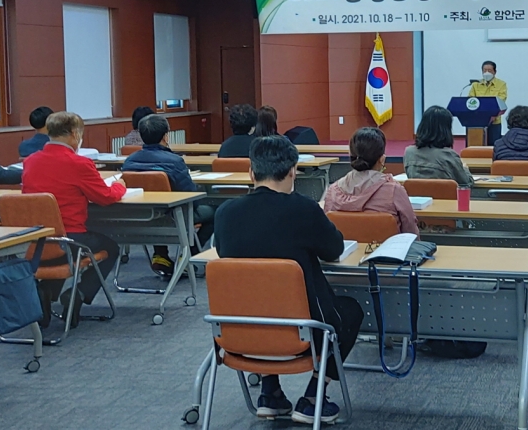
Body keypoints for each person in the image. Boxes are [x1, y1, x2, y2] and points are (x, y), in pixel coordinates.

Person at [215, 136, 363, 425]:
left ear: (251, 172)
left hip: (239, 332)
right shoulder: (304, 210)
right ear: (293, 171)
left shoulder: (225, 214)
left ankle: (270, 393)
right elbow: (333, 249)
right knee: (350, 312)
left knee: (261, 299)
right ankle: (312, 398)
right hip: (302, 332)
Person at [22, 111, 125, 326]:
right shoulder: (79, 163)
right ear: (75, 134)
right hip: (70, 238)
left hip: (36, 239)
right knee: (111, 247)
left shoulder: (30, 161)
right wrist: (119, 186)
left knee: (61, 252)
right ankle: (79, 293)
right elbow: (105, 197)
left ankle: (45, 291)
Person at [122, 114, 216, 276]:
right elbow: (190, 196)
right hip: (174, 218)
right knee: (215, 212)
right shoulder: (174, 161)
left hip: (141, 219)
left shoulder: (129, 162)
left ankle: (160, 255)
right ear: (166, 136)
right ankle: (187, 256)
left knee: (156, 207)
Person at [322, 127, 418, 236]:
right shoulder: (394, 191)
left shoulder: (333, 191)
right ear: (382, 160)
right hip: (386, 247)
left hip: (344, 247)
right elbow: (411, 230)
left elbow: (326, 231)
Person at [404, 106, 474, 187]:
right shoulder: (449, 155)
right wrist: (465, 169)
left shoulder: (409, 152)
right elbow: (466, 183)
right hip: (446, 195)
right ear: (446, 130)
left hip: (418, 195)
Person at [468, 60, 508, 146]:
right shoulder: (476, 84)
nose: (486, 73)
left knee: (494, 146)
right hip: (478, 121)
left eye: (489, 71)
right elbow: (470, 100)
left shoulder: (501, 84)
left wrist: (492, 114)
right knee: (477, 146)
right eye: (484, 70)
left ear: (495, 72)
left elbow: (501, 100)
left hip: (494, 120)